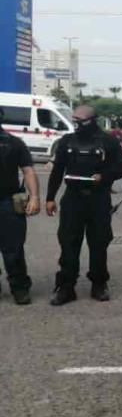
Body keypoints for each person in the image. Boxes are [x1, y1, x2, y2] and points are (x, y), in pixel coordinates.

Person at [45, 105, 122, 305]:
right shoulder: (67, 141)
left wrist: (104, 176)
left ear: (91, 120)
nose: (77, 125)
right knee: (68, 243)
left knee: (99, 243)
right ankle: (66, 287)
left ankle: (99, 284)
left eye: (80, 121)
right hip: (73, 198)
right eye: (74, 120)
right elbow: (57, 171)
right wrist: (50, 198)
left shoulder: (108, 141)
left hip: (98, 199)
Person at [0, 114, 41, 305]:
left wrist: (34, 197)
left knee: (13, 248)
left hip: (8, 201)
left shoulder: (14, 143)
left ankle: (19, 287)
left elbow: (28, 170)